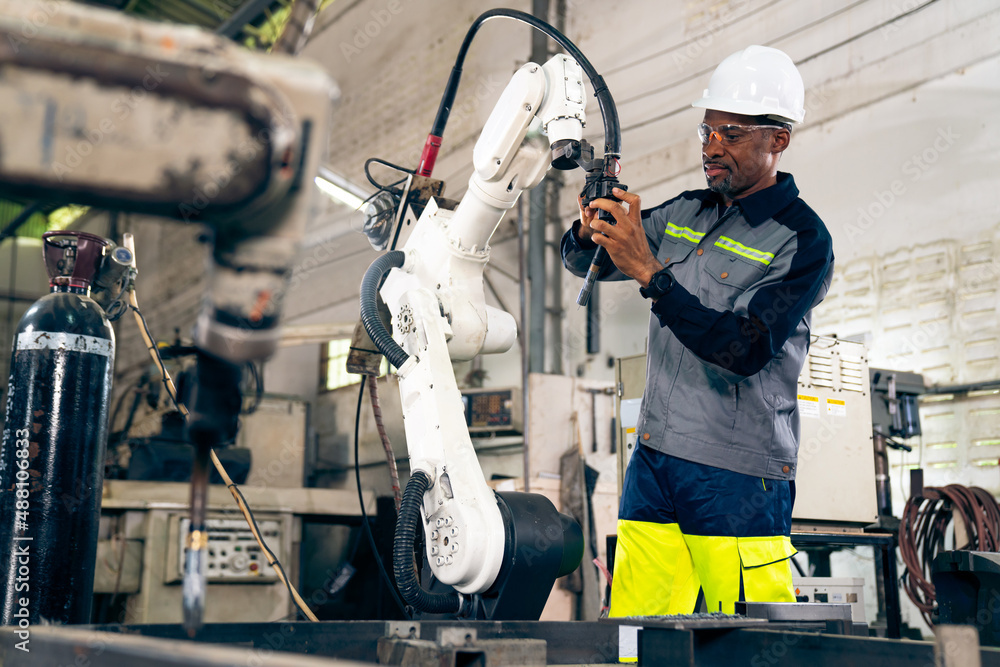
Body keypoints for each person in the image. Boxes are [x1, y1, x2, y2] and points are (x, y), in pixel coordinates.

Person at [561, 45, 835, 618]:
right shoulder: (686, 212)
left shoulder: (802, 240)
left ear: (777, 140)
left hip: (736, 478)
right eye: (707, 131)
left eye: (731, 135)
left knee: (749, 643)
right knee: (635, 636)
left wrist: (652, 275)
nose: (712, 148)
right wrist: (591, 228)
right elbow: (583, 259)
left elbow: (744, 349)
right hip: (655, 462)